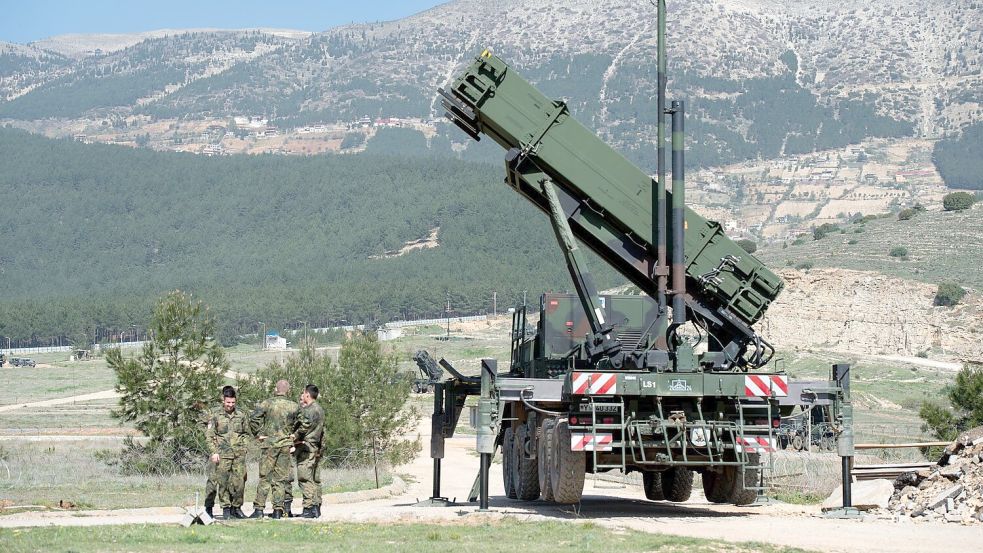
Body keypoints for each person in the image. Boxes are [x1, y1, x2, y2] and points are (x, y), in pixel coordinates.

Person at [248, 379, 300, 519]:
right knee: (280, 479)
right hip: (284, 445)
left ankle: (259, 509)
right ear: (287, 390)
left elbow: (253, 418)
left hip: (269, 444)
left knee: (265, 477)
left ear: (276, 390)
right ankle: (278, 510)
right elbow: (303, 422)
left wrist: (258, 434)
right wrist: (294, 435)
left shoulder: (266, 403)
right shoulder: (294, 406)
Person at [205, 386, 249, 519]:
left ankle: (236, 508)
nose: (230, 405)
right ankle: (225, 509)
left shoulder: (241, 415)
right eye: (228, 402)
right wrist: (214, 452)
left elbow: (246, 433)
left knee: (239, 482)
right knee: (222, 483)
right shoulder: (215, 416)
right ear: (223, 400)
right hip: (222, 455)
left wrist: (244, 447)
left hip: (238, 455)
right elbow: (209, 436)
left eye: (233, 402)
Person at [294, 384, 324, 518]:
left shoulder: (308, 410)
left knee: (304, 478)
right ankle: (316, 507)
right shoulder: (320, 409)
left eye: (303, 393)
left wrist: (294, 438)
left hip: (306, 447)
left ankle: (308, 508)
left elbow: (302, 428)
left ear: (307, 394)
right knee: (313, 479)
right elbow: (323, 431)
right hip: (316, 446)